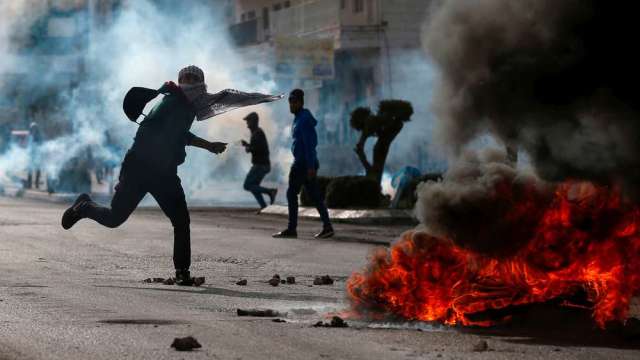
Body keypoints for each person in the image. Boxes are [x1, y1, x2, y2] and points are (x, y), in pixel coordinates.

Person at [61, 65, 281, 285]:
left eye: (195, 79)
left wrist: (209, 145)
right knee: (114, 218)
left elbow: (181, 132)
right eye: (187, 78)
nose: (191, 83)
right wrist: (208, 145)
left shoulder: (185, 105)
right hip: (139, 167)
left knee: (181, 221)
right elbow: (178, 132)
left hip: (164, 172)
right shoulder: (173, 102)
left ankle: (182, 272)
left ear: (202, 83)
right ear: (181, 82)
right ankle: (85, 207)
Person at [273, 89, 334, 239]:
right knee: (314, 196)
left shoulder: (304, 119)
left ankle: (292, 229)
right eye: (290, 102)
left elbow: (309, 144)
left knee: (291, 194)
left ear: (300, 102)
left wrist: (311, 166)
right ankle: (327, 227)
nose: (291, 105)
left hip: (303, 164)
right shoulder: (299, 117)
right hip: (304, 163)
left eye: (294, 102)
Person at [241, 112, 277, 210]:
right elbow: (256, 147)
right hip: (261, 164)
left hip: (260, 165)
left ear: (253, 121)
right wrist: (247, 145)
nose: (247, 124)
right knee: (254, 186)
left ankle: (270, 192)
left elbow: (257, 149)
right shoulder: (256, 133)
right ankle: (264, 207)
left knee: (247, 185)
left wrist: (248, 148)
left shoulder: (257, 133)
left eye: (248, 121)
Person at [27, 121, 42, 189]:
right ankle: (29, 184)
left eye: (35, 128)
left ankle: (37, 184)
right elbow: (27, 145)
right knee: (30, 170)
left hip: (38, 155)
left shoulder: (39, 136)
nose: (33, 129)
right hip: (31, 155)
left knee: (38, 170)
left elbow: (41, 145)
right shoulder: (29, 136)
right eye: (32, 128)